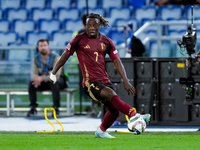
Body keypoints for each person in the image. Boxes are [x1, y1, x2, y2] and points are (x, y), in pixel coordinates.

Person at [50, 13, 151, 138]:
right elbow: (64, 56)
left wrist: (125, 79)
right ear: (85, 26)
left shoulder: (107, 41)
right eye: (89, 25)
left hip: (105, 81)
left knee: (114, 112)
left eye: (94, 25)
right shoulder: (78, 40)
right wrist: (53, 72)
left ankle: (101, 131)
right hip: (90, 83)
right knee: (111, 95)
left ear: (99, 25)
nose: (91, 27)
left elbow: (117, 61)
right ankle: (134, 115)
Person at [27, 39, 67, 117]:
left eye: (45, 45)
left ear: (48, 47)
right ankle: (33, 108)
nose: (43, 48)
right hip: (44, 82)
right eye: (41, 46)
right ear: (38, 48)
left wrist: (41, 78)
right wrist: (37, 78)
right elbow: (34, 74)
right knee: (32, 83)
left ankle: (56, 108)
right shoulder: (36, 59)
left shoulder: (56, 58)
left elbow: (56, 75)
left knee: (54, 82)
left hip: (58, 81)